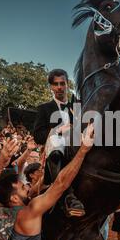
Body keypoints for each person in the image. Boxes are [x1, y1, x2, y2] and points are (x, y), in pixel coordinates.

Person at [0, 124, 94, 240]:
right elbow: (61, 184)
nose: (27, 188)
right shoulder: (30, 212)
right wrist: (83, 150)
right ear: (14, 199)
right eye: (23, 188)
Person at [33, 69, 84, 217]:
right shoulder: (44, 108)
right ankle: (67, 195)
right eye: (56, 84)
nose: (59, 87)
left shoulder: (78, 105)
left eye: (62, 83)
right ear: (51, 87)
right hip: (57, 153)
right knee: (56, 141)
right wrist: (58, 130)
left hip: (79, 146)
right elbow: (38, 136)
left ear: (67, 84)